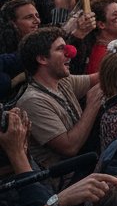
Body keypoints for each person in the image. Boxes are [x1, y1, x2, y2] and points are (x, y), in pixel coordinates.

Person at [15, 26, 103, 170]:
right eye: (61, 49)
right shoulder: (32, 101)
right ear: (42, 59)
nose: (70, 53)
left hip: (87, 164)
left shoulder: (62, 82)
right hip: (66, 180)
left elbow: (102, 77)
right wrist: (93, 104)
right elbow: (69, 148)